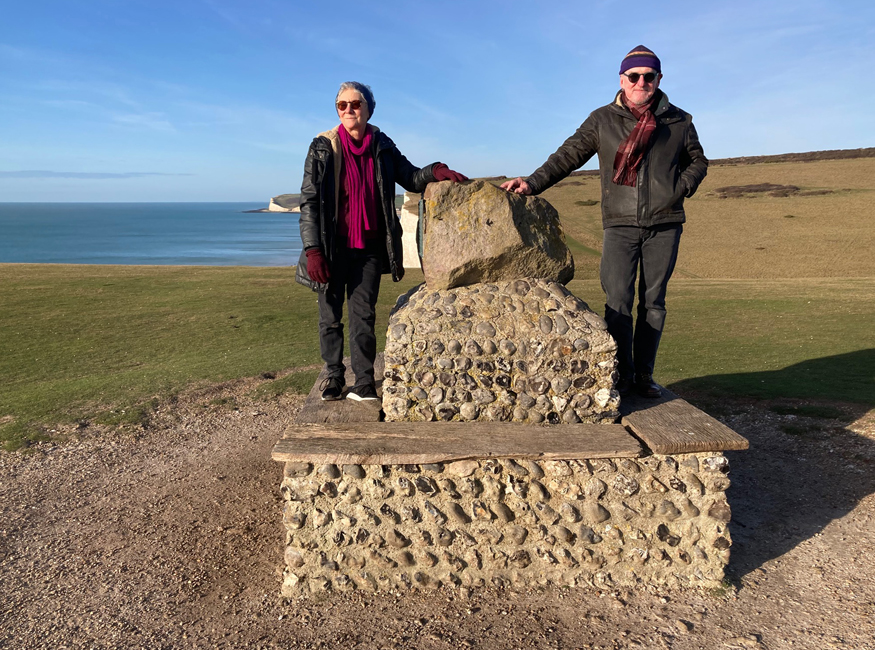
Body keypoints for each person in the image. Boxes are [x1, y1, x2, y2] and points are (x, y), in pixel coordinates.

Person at [501, 46, 707, 398]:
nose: (641, 82)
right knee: (618, 301)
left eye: (649, 76)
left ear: (659, 79)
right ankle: (622, 374)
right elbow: (568, 155)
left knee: (654, 302)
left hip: (665, 223)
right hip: (620, 223)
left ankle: (644, 375)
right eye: (634, 76)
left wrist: (682, 186)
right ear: (622, 80)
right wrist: (532, 182)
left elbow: (698, 161)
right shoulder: (602, 119)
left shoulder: (679, 120)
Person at [296, 81, 467, 402]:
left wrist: (436, 170)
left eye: (355, 104)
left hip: (369, 249)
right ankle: (333, 376)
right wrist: (313, 249)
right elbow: (310, 201)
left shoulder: (382, 145)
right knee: (330, 317)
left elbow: (411, 177)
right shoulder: (322, 146)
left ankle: (363, 382)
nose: (348, 110)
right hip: (331, 249)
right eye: (342, 105)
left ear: (369, 109)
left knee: (364, 316)